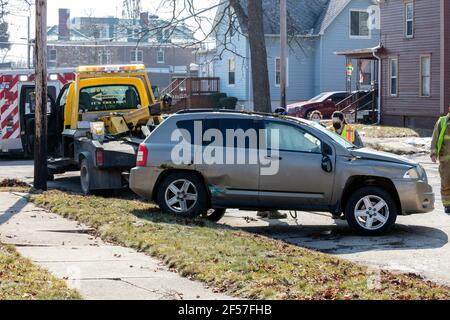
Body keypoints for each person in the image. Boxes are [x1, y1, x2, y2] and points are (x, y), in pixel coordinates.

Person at [431, 108, 450, 214]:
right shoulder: (442, 121)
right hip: (446, 160)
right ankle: (447, 205)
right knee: (446, 183)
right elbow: (435, 137)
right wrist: (433, 153)